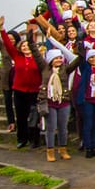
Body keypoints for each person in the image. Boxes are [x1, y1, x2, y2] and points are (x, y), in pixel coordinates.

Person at [27, 29, 79, 161]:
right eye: (56, 58)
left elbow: (78, 60)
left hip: (63, 101)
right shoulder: (45, 68)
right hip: (49, 102)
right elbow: (36, 54)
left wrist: (80, 49)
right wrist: (30, 39)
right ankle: (50, 151)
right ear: (50, 60)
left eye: (60, 58)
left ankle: (63, 149)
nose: (58, 60)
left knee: (63, 128)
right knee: (51, 128)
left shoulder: (65, 69)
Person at [0, 17, 41, 149]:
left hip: (34, 91)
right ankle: (22, 139)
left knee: (34, 117)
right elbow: (7, 43)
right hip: (19, 91)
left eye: (28, 45)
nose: (25, 47)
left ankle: (34, 140)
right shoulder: (17, 57)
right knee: (21, 116)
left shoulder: (38, 58)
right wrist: (2, 29)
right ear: (20, 48)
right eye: (23, 45)